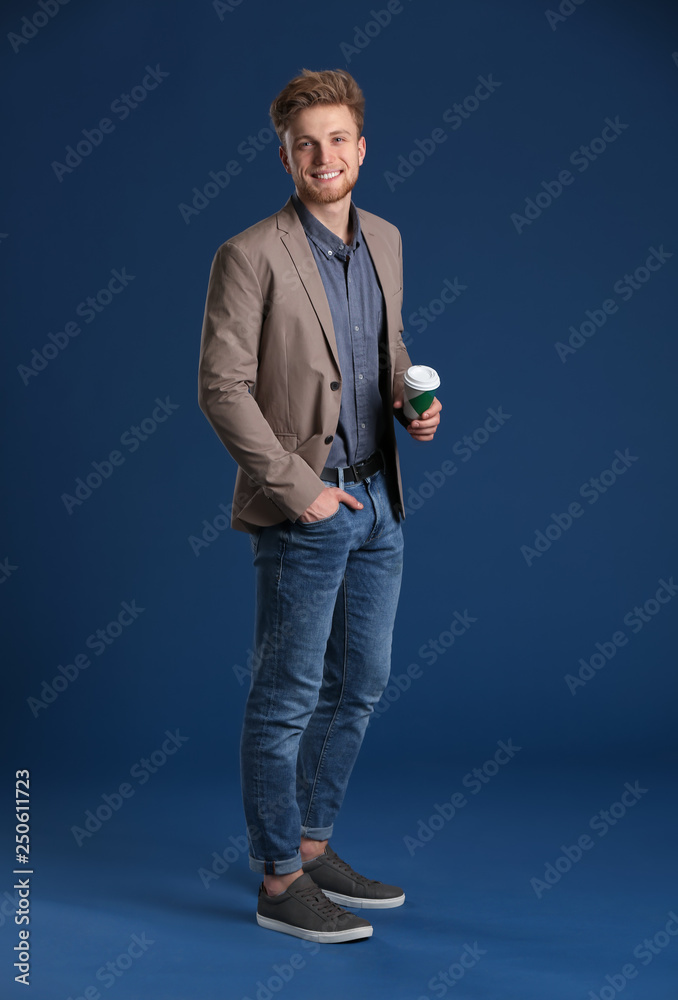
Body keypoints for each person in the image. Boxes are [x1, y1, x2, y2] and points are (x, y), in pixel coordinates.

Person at [198, 68, 442, 943]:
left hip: (381, 497)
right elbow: (222, 390)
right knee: (286, 695)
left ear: (362, 148)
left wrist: (416, 410)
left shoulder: (385, 237)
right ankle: (276, 882)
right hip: (309, 507)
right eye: (307, 143)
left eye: (339, 139)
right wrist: (301, 494)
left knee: (362, 682)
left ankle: (309, 843)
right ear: (285, 156)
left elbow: (385, 348)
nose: (324, 156)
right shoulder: (249, 253)